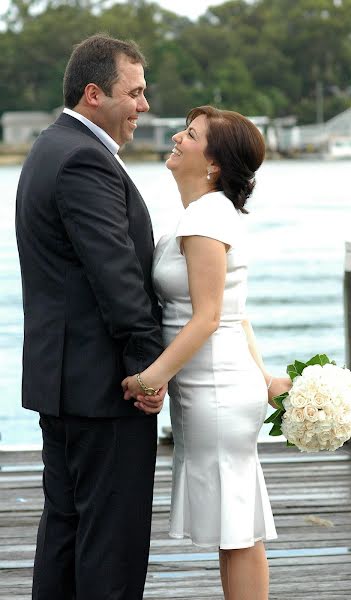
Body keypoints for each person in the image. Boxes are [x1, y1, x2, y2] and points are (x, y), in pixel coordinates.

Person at [15, 34, 166, 600]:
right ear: (95, 93)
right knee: (112, 544)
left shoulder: (49, 147)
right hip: (105, 387)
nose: (144, 106)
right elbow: (117, 275)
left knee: (65, 530)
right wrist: (149, 368)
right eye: (136, 92)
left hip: (65, 382)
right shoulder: (83, 158)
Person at [122, 105, 292, 599]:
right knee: (235, 529)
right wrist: (264, 380)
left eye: (191, 134)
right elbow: (237, 314)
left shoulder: (205, 218)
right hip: (219, 384)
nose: (177, 136)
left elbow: (209, 317)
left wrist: (151, 378)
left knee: (237, 531)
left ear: (214, 163)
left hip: (215, 390)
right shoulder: (208, 214)